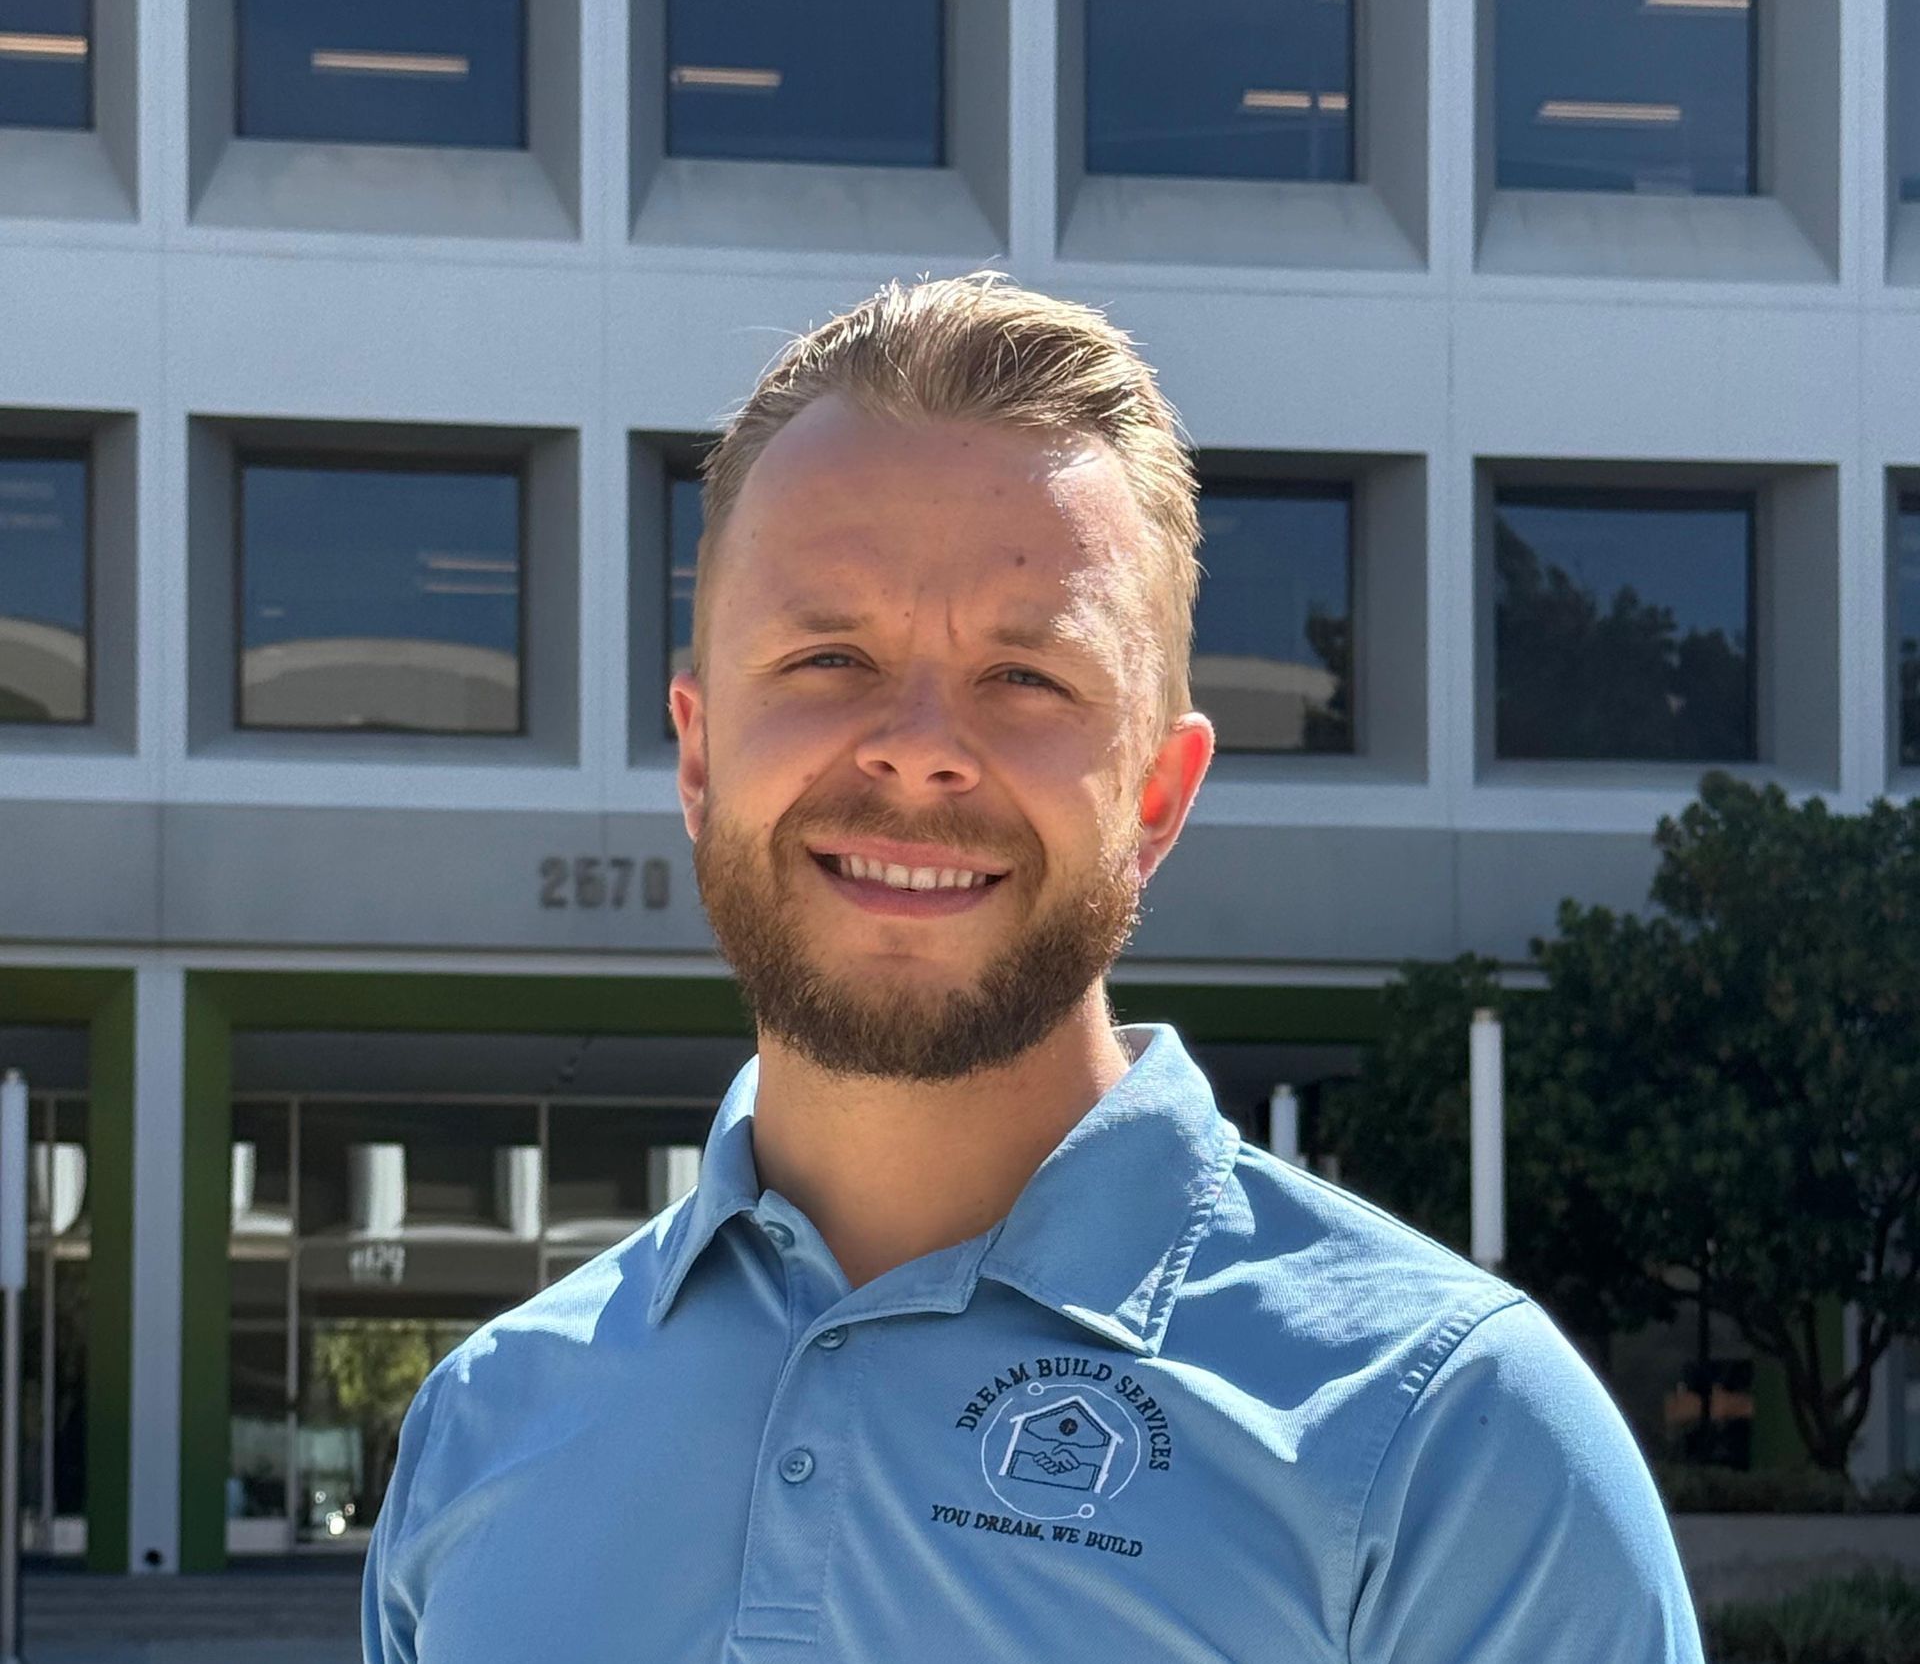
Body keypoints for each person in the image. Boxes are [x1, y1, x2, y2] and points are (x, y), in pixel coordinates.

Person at [362, 273, 1705, 1662]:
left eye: (1028, 678)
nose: (918, 745)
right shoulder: (484, 1427)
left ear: (1158, 797)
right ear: (698, 754)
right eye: (828, 654)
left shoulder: (1453, 1441)